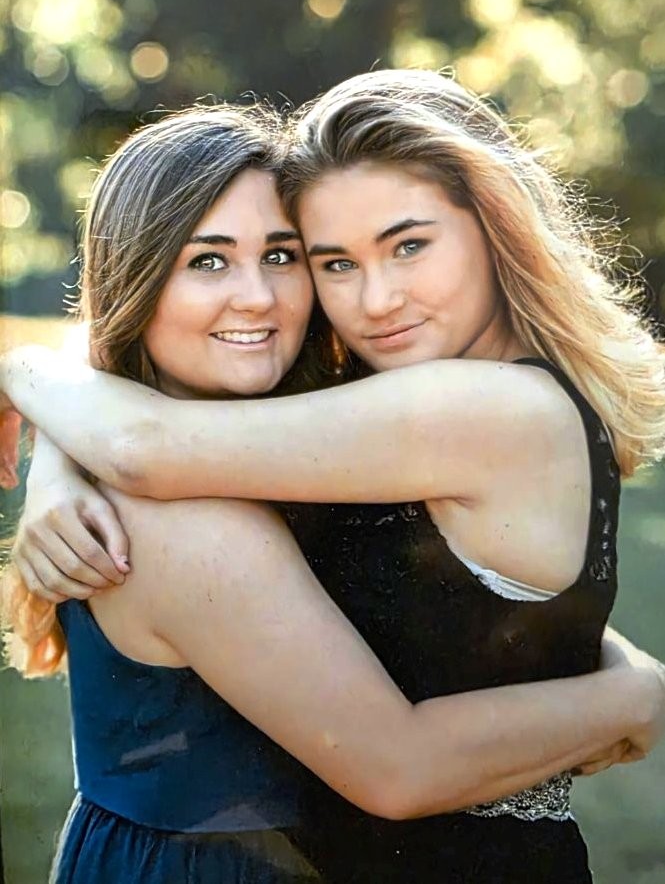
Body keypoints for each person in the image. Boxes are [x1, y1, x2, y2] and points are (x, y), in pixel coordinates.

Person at [1, 72, 664, 882]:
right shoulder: (210, 490)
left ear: (493, 229)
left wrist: (35, 393)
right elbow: (144, 440)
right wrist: (57, 446)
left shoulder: (471, 409)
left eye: (280, 256)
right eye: (336, 262)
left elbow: (144, 441)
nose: (376, 300)